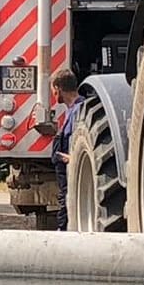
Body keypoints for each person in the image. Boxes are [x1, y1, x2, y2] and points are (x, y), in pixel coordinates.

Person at [50, 70, 80, 230]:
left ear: (58, 88)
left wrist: (72, 158)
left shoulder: (80, 110)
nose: (53, 94)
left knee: (68, 206)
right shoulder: (70, 110)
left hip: (72, 174)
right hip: (65, 175)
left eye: (53, 90)